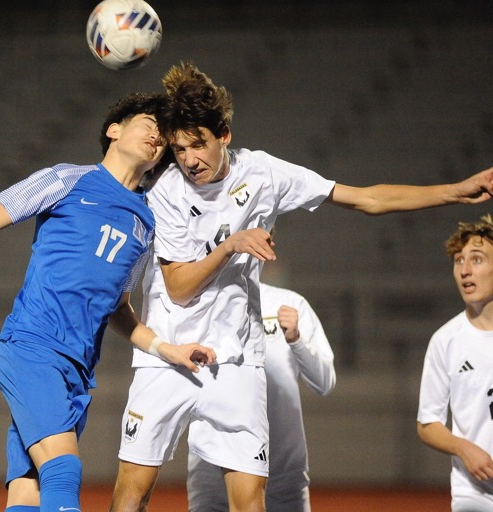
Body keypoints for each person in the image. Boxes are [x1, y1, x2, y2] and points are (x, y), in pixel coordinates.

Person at [108, 62, 493, 512]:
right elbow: (177, 287)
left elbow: (365, 198)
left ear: (224, 135)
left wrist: (453, 190)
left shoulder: (264, 174)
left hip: (236, 360)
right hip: (168, 358)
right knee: (132, 491)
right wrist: (231, 245)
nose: (189, 159)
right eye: (179, 148)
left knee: (251, 500)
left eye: (198, 144)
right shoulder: (168, 192)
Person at [0, 92, 216, 512]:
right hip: (32, 348)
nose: (156, 134)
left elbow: (118, 309)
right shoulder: (65, 179)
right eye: (148, 122)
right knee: (62, 471)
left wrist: (169, 349)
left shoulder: (147, 222)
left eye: (163, 134)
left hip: (76, 372)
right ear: (114, 130)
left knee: (28, 489)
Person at [187, 281, 335, 512]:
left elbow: (325, 383)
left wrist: (296, 340)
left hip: (283, 472)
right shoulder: (197, 303)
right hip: (212, 468)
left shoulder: (290, 303)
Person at [417, 214, 493, 512]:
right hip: (473, 494)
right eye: (458, 260)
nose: (464, 270)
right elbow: (427, 424)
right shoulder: (445, 340)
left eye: (476, 259)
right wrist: (465, 449)